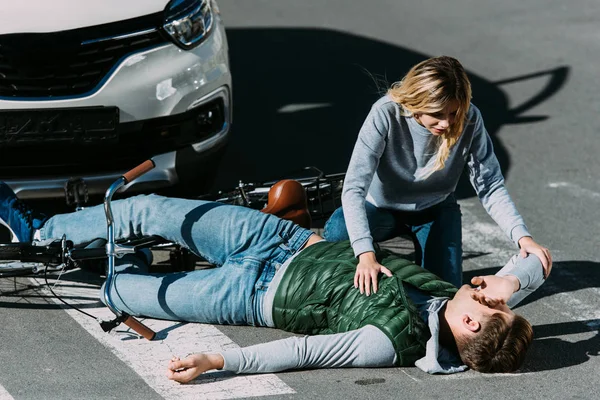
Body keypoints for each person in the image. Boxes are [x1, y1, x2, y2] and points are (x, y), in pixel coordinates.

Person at [0, 183, 545, 383]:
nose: (485, 288)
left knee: (121, 292)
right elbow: (538, 266)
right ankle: (39, 231)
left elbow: (305, 351)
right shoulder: (463, 303)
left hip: (250, 296)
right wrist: (518, 272)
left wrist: (220, 362)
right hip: (276, 242)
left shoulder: (390, 343)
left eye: (487, 299)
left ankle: (89, 257)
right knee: (149, 209)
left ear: (471, 322)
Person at [323, 55, 552, 292]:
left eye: (453, 113)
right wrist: (366, 254)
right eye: (438, 114)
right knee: (338, 233)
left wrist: (523, 238)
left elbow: (490, 185)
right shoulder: (385, 113)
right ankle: (383, 258)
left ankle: (421, 260)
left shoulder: (470, 119)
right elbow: (353, 188)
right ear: (416, 103)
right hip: (380, 207)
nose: (446, 123)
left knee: (443, 295)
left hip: (434, 210)